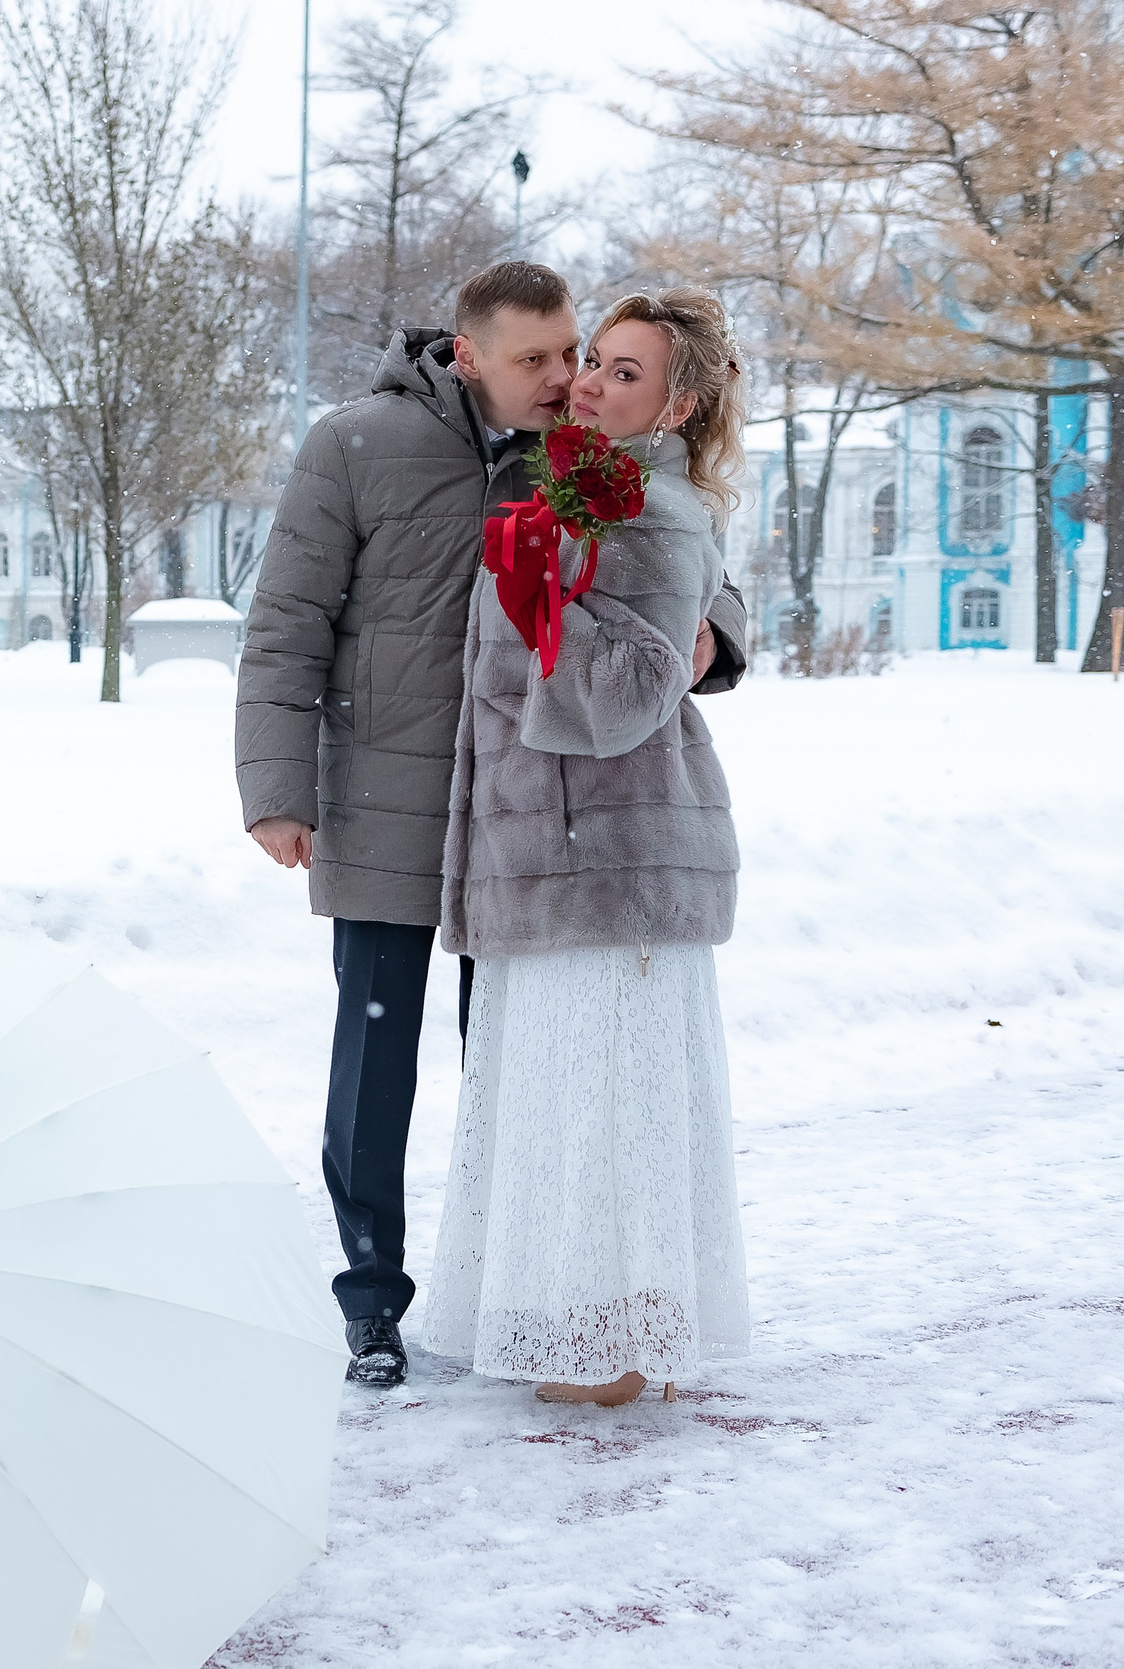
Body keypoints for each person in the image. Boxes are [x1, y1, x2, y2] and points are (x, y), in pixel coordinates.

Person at [234, 261, 749, 1388]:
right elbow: (284, 622)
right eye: (537, 360)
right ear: (466, 356)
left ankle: (518, 1293)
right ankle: (371, 1300)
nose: (564, 379)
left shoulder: (570, 452)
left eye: (573, 355)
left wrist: (716, 634)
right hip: (387, 799)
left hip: (523, 818)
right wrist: (277, 790)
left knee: (517, 1068)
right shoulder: (356, 443)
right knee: (373, 1068)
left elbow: (687, 555)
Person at [417, 288, 751, 1407]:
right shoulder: (585, 495)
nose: (591, 384)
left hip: (608, 854)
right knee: (568, 1105)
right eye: (594, 362)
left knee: (606, 1106)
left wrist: (540, 585)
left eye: (622, 371)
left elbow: (623, 698)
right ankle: (585, 1327)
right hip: (551, 846)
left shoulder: (648, 507)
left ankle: (616, 1348)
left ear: (678, 402)